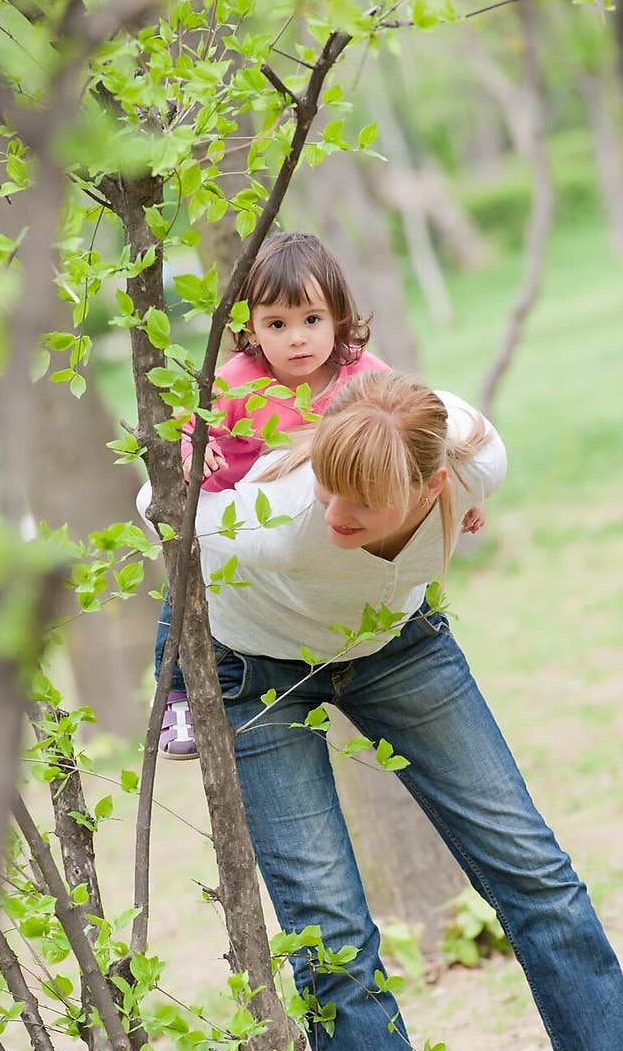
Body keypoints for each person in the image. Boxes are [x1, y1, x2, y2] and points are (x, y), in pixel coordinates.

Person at [146, 369, 623, 1051]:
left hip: (396, 648)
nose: (341, 513)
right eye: (332, 491)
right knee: (332, 941)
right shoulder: (277, 522)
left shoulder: (474, 460)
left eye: (367, 500)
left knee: (537, 877)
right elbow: (154, 501)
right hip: (252, 671)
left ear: (436, 488)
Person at [151, 229, 484, 759]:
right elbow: (192, 426)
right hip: (241, 500)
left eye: (312, 321)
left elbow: (414, 437)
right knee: (189, 580)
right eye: (277, 325)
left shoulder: (362, 375)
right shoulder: (239, 379)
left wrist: (466, 494)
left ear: (338, 319)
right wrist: (195, 451)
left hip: (320, 523)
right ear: (252, 329)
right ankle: (175, 691)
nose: (297, 339)